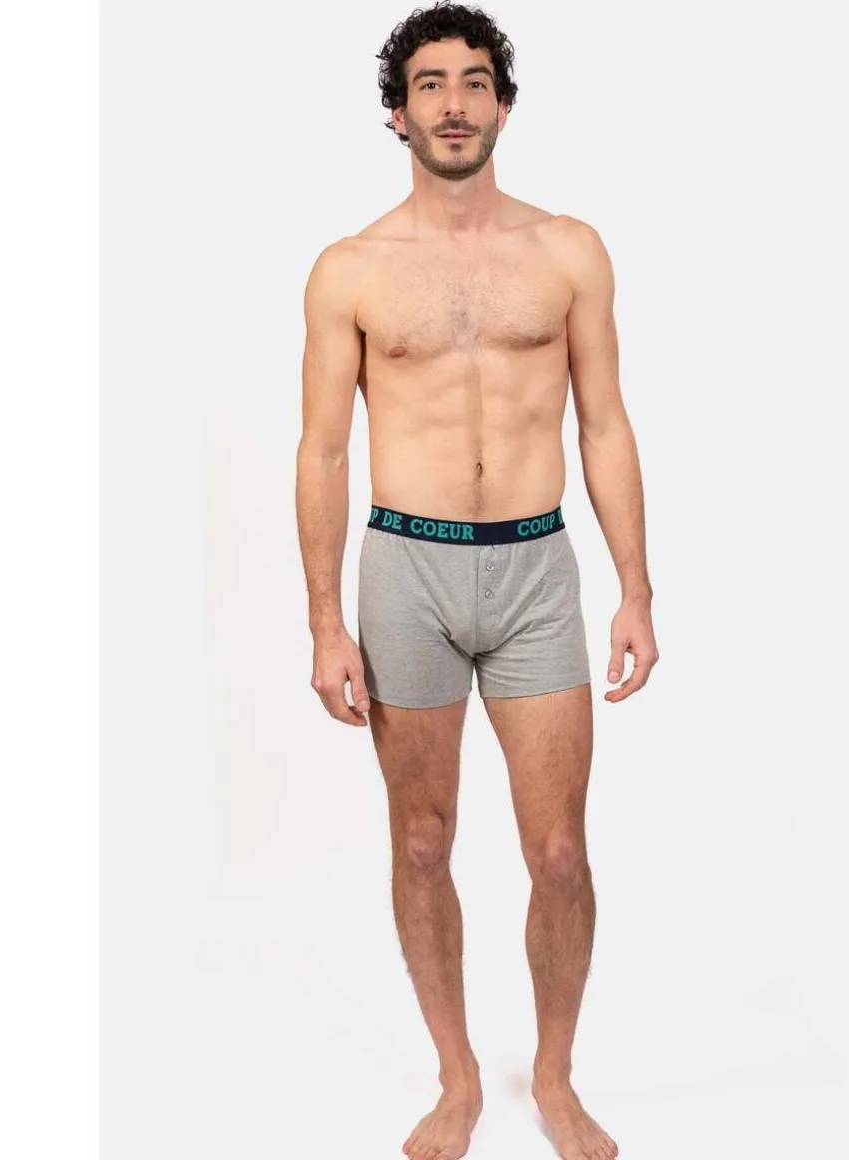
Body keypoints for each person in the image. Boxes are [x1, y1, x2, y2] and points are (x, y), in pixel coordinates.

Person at [295, 5, 657, 1158]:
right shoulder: (349, 270)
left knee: (557, 850)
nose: (451, 103)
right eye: (427, 84)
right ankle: (456, 1075)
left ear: (502, 104)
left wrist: (635, 590)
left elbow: (603, 424)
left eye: (471, 81)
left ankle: (552, 1074)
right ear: (395, 114)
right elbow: (322, 451)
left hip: (535, 568)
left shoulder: (567, 251)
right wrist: (324, 623)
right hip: (404, 568)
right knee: (420, 839)